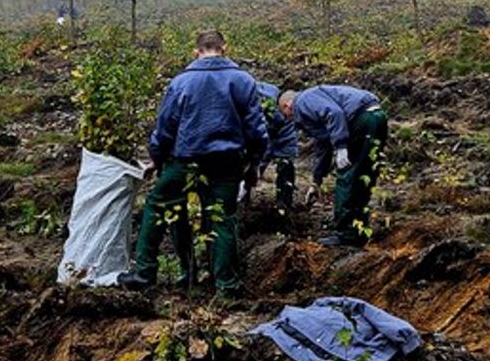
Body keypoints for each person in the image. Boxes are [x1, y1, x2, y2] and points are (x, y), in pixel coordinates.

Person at [118, 30, 268, 296]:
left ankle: (144, 273)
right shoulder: (243, 80)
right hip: (227, 163)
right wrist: (255, 164)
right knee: (222, 218)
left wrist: (157, 157)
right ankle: (226, 286)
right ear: (225, 48)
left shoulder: (181, 82)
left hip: (186, 159)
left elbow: (166, 127)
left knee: (157, 206)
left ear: (196, 52)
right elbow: (256, 129)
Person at [278, 85, 387, 247]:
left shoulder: (303, 101)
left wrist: (341, 146)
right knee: (363, 175)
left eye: (285, 115)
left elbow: (334, 113)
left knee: (347, 177)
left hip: (362, 119)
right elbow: (323, 145)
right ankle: (358, 229)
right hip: (376, 117)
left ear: (287, 105)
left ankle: (347, 235)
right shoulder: (312, 107)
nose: (288, 120)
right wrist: (316, 182)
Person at [256, 81, 299, 219]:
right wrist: (258, 164)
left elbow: (287, 145)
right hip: (257, 135)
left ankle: (284, 207)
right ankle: (241, 203)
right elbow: (263, 139)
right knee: (249, 168)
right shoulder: (260, 100)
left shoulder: (291, 112)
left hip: (283, 136)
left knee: (286, 166)